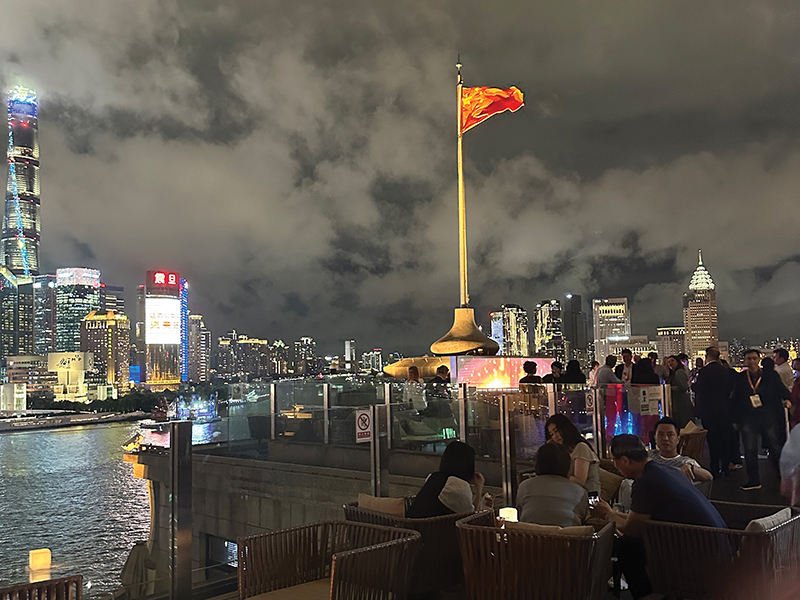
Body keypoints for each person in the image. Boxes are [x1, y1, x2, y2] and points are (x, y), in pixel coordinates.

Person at [591, 435, 726, 600]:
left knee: (626, 546)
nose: (616, 466)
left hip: (700, 551)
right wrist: (610, 513)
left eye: (615, 461)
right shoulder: (663, 470)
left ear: (625, 460)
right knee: (628, 544)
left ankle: (644, 595)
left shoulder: (645, 482)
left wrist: (608, 513)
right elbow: (638, 519)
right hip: (718, 543)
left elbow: (632, 529)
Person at [731, 349, 791, 491]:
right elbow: (735, 400)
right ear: (745, 360)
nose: (751, 361)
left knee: (774, 447)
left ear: (759, 360)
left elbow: (782, 390)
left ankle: (781, 477)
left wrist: (787, 400)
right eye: (748, 359)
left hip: (767, 416)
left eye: (753, 358)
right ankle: (753, 480)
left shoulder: (770, 376)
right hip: (748, 418)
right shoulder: (740, 378)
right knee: (749, 449)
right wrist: (735, 420)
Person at [407, 441, 491, 517]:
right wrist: (479, 489)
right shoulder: (458, 485)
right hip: (437, 533)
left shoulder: (433, 476)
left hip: (412, 529)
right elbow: (470, 517)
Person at [516, 443, 588, 527]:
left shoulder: (524, 486)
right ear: (567, 465)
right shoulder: (580, 492)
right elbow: (584, 519)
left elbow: (520, 515)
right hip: (567, 539)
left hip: (530, 538)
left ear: (537, 464)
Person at [694, 346, 735, 476]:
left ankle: (715, 467)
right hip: (723, 409)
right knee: (724, 437)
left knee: (712, 440)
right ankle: (726, 465)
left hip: (709, 410)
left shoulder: (705, 372)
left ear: (707, 356)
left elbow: (701, 390)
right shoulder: (725, 371)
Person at [545, 414, 601, 495]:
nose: (555, 436)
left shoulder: (581, 448)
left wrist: (559, 473)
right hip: (571, 495)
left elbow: (579, 481)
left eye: (556, 431)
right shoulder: (566, 451)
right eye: (552, 434)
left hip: (587, 498)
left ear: (565, 428)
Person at [650, 417, 713, 482]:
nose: (665, 438)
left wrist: (691, 468)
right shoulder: (648, 455)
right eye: (660, 435)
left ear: (678, 439)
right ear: (655, 438)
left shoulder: (685, 462)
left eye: (670, 435)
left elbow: (708, 477)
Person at [667, 355, 693, 429]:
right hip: (678, 401)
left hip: (681, 402)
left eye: (672, 361)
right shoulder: (673, 372)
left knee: (683, 423)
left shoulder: (679, 372)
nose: (670, 363)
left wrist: (670, 388)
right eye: (668, 362)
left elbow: (684, 387)